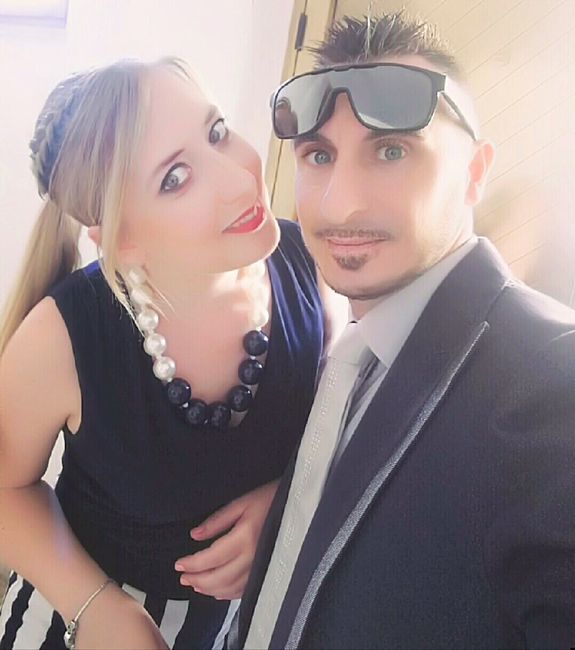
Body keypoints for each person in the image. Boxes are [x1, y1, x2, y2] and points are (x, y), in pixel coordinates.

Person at [235, 12, 575, 650]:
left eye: (391, 150)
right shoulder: (348, 353)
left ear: (475, 172)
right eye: (318, 155)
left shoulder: (552, 379)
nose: (340, 204)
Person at [0, 57, 328, 649]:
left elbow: (339, 428)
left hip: (247, 623)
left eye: (217, 132)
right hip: (84, 619)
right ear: (124, 238)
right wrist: (96, 607)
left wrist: (288, 499)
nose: (239, 178)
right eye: (175, 177)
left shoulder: (310, 267)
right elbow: (6, 487)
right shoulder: (65, 333)